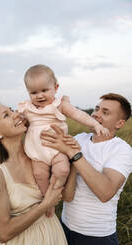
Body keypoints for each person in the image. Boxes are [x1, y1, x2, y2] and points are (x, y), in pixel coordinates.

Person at [0, 102, 68, 245]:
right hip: (22, 243)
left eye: (12, 110)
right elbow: (4, 233)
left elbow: (68, 195)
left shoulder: (40, 156)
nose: (16, 114)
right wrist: (45, 205)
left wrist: (71, 154)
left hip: (53, 236)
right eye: (6, 115)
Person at [41, 93, 132, 245]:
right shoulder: (80, 138)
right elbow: (68, 196)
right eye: (96, 109)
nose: (96, 114)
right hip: (65, 228)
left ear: (119, 123)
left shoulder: (122, 149)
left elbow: (105, 193)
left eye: (105, 112)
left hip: (96, 237)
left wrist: (74, 155)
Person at [18, 64, 109, 206]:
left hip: (57, 149)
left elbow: (78, 114)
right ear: (28, 92)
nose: (40, 95)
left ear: (56, 87)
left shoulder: (60, 105)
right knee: (39, 175)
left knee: (63, 170)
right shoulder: (27, 108)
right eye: (34, 93)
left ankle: (56, 191)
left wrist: (95, 124)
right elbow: (19, 124)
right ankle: (47, 202)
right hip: (36, 150)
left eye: (44, 90)